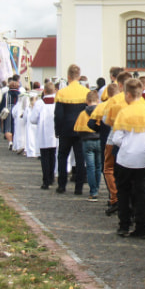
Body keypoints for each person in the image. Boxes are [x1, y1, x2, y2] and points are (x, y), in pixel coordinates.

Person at [109, 79, 145, 238]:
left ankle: (124, 225)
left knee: (124, 192)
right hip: (144, 158)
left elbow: (116, 138)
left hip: (126, 158)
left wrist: (128, 144)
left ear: (128, 94)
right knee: (142, 192)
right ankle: (142, 227)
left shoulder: (124, 112)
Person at [92, 71, 134, 214]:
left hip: (114, 137)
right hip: (134, 140)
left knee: (109, 169)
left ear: (120, 84)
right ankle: (129, 201)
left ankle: (115, 197)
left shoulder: (115, 100)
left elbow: (105, 119)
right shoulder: (137, 99)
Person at [54, 64, 88, 196]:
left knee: (62, 157)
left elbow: (58, 115)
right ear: (79, 77)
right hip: (80, 129)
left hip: (66, 129)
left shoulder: (62, 93)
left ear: (68, 77)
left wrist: (57, 130)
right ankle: (78, 187)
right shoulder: (85, 92)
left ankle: (62, 185)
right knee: (80, 159)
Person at [74, 89, 102, 201]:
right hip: (99, 140)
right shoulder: (101, 112)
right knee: (98, 166)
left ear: (87, 101)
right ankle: (97, 187)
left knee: (90, 167)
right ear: (98, 100)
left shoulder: (82, 113)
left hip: (87, 141)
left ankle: (93, 191)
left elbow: (77, 129)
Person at [30, 81, 58, 190]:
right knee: (53, 156)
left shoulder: (40, 103)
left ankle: (46, 180)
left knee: (45, 157)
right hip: (55, 133)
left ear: (44, 91)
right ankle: (51, 177)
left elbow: (33, 119)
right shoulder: (57, 102)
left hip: (43, 133)